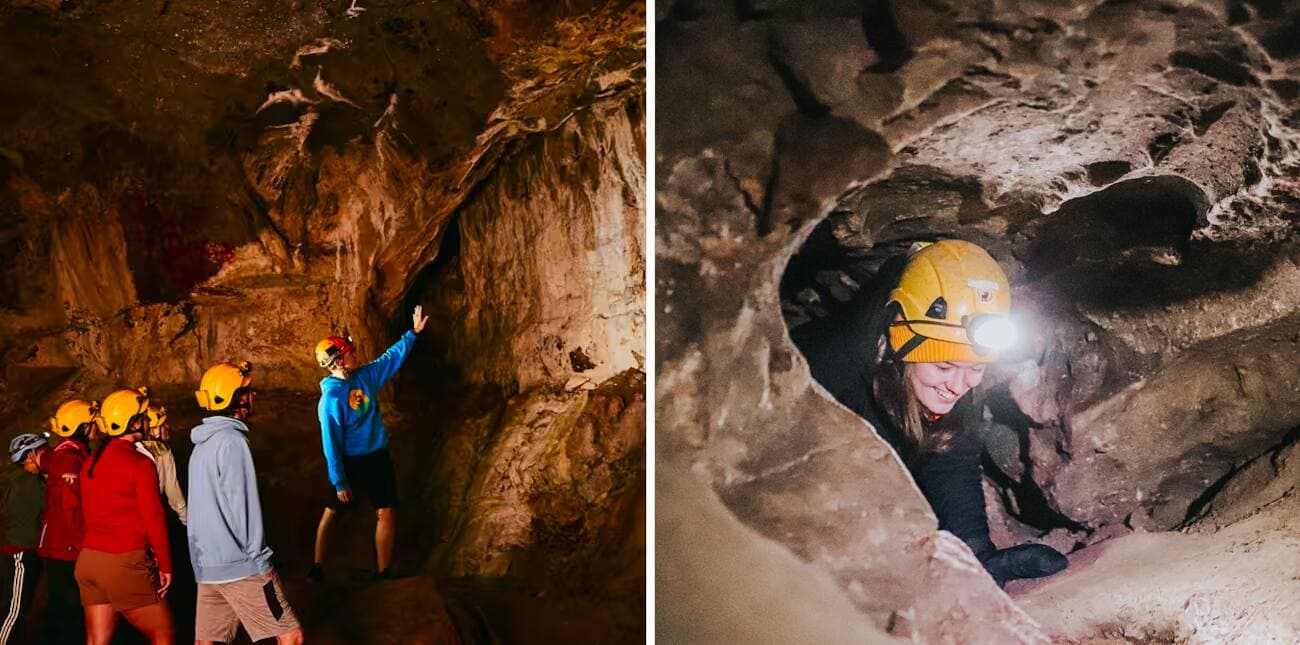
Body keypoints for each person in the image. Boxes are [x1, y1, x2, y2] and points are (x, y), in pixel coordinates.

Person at [792, 239, 1067, 587]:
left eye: (976, 369)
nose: (959, 386)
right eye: (944, 367)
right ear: (900, 341)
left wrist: (975, 552)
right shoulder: (824, 365)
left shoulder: (949, 374)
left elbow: (950, 453)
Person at [308, 305, 427, 583]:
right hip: (351, 462)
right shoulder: (330, 401)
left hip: (377, 458)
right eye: (349, 352)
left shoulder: (364, 377)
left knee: (386, 510)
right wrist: (339, 481)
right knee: (333, 511)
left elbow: (389, 359)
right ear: (337, 361)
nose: (354, 353)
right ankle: (317, 566)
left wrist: (413, 334)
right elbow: (331, 443)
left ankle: (383, 572)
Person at [188, 361, 303, 645]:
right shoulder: (232, 441)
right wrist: (262, 561)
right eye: (248, 391)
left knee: (208, 643)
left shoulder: (200, 446)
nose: (254, 397)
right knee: (290, 636)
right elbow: (244, 509)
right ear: (235, 398)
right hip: (241, 565)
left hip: (207, 568)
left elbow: (198, 512)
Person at [77, 388, 174, 645]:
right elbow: (154, 516)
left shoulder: (90, 463)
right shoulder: (140, 464)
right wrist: (165, 565)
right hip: (123, 562)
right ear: (132, 422)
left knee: (97, 640)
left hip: (88, 561)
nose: (146, 421)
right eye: (142, 416)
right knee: (162, 634)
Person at [40, 399, 95, 645]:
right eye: (92, 423)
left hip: (62, 545)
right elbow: (70, 509)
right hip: (65, 548)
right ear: (81, 427)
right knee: (68, 611)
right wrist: (84, 547)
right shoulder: (68, 460)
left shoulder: (70, 454)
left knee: (64, 611)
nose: (98, 426)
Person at [2, 434, 47, 645]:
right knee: (14, 611)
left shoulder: (23, 482)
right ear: (31, 455)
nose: (48, 455)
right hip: (21, 554)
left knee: (21, 609)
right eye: (43, 451)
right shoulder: (30, 485)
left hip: (24, 552)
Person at [132, 400, 187, 524]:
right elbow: (173, 491)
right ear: (153, 429)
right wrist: (187, 519)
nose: (167, 427)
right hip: (150, 516)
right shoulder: (163, 452)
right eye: (162, 424)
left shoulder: (130, 450)